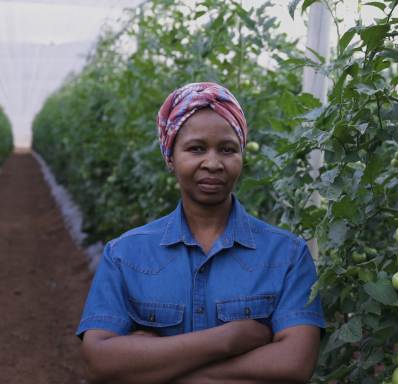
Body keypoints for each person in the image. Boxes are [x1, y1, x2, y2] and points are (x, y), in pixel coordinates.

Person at [76, 82, 325, 384]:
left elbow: (294, 364)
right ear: (170, 157)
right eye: (196, 149)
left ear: (242, 156)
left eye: (227, 149)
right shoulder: (125, 255)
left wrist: (154, 362)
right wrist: (230, 339)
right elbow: (99, 362)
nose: (212, 163)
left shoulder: (286, 255)